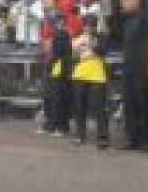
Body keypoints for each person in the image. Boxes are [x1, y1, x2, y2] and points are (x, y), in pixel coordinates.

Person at [120, 0, 148, 151]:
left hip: (143, 67)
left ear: (137, 0)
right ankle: (132, 139)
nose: (123, 3)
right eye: (122, 0)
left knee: (145, 103)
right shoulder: (127, 21)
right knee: (129, 103)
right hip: (129, 67)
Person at [72, 15, 110, 148]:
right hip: (80, 74)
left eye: (91, 25)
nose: (89, 27)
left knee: (100, 107)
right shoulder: (77, 38)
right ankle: (79, 135)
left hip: (97, 75)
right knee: (80, 106)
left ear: (95, 26)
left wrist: (91, 42)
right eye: (87, 25)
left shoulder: (101, 37)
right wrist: (77, 50)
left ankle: (102, 137)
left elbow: (103, 51)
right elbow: (74, 57)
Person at [38, 14, 73, 137]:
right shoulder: (56, 34)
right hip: (54, 70)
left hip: (59, 70)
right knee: (50, 98)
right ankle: (51, 125)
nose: (53, 25)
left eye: (56, 22)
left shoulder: (62, 34)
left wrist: (49, 63)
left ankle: (60, 127)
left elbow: (57, 53)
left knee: (58, 99)